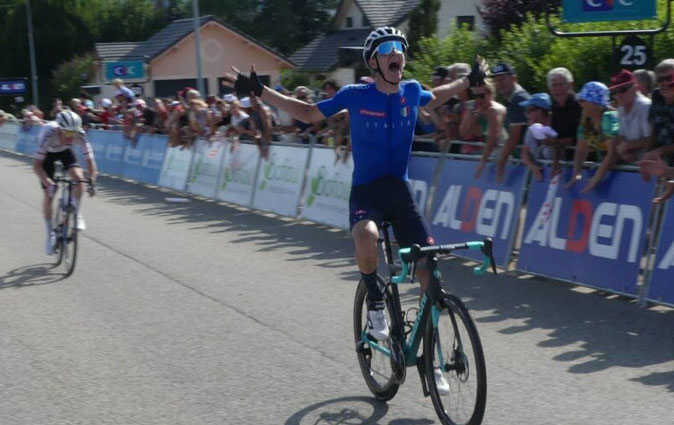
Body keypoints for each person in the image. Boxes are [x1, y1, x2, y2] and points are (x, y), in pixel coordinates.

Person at [233, 26, 472, 392]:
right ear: (374, 62)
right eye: (388, 50)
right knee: (367, 236)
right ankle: (375, 302)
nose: (397, 55)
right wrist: (262, 92)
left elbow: (437, 96)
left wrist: (468, 81)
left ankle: (432, 358)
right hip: (366, 193)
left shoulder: (410, 90)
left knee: (430, 272)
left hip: (400, 192)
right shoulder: (356, 95)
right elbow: (311, 114)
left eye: (400, 49)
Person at [32, 110, 96, 255]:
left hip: (65, 152)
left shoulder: (79, 134)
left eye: (73, 134)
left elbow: (91, 163)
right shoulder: (49, 133)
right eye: (67, 133)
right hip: (46, 155)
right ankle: (49, 234)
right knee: (49, 196)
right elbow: (36, 165)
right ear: (59, 129)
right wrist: (48, 183)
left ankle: (77, 213)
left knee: (79, 179)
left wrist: (91, 182)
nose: (70, 137)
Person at [580, 70, 651, 193]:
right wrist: (624, 150)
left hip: (649, 170)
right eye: (614, 92)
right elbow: (621, 138)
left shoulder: (646, 107)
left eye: (623, 90)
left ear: (635, 88)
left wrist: (627, 146)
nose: (618, 96)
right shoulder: (622, 108)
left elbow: (652, 140)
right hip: (633, 166)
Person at [565, 81, 619, 189]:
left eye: (583, 100)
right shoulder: (586, 118)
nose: (580, 103)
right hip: (606, 167)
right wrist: (576, 173)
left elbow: (612, 153)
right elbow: (581, 149)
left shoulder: (610, 117)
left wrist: (596, 178)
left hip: (621, 167)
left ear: (596, 104)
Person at [491, 63, 530, 182]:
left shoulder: (518, 99)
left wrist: (501, 165)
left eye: (503, 79)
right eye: (497, 80)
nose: (500, 83)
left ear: (514, 78)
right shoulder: (513, 97)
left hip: (531, 158)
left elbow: (514, 139)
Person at [459, 76, 507, 174]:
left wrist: (482, 163)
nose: (478, 100)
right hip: (496, 153)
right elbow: (464, 133)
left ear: (490, 94)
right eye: (475, 96)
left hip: (505, 155)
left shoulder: (494, 110)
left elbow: (493, 139)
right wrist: (470, 118)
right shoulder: (480, 111)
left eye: (481, 96)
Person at [518, 93, 559, 181]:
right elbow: (524, 153)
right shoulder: (531, 129)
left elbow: (550, 145)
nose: (527, 114)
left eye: (530, 110)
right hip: (539, 177)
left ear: (541, 111)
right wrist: (533, 167)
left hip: (557, 175)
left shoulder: (557, 126)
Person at [546, 67, 582, 162]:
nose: (558, 88)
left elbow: (579, 139)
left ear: (571, 85)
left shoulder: (581, 105)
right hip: (567, 162)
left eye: (561, 84)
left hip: (589, 162)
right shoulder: (552, 109)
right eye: (554, 85)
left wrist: (556, 142)